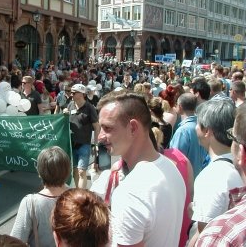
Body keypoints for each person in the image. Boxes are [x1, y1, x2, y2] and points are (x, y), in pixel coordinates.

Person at [97, 93, 185, 246]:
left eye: (107, 128)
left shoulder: (130, 192)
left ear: (132, 128)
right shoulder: (171, 168)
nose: (100, 136)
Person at [188, 99, 243, 245]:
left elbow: (204, 234)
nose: (195, 128)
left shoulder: (212, 177)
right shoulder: (240, 165)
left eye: (198, 124)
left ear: (207, 131)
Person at [11, 146, 70, 247]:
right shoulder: (79, 198)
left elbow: (14, 242)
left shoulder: (30, 203)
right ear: (67, 170)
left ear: (39, 172)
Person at [65, 83, 100, 189]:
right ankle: (78, 192)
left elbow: (97, 127)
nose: (71, 94)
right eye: (71, 92)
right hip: (72, 143)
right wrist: (64, 113)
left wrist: (96, 144)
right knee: (75, 170)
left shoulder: (89, 108)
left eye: (74, 92)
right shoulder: (70, 105)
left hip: (84, 143)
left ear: (82, 94)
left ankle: (81, 194)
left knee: (81, 171)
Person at [169, 93, 207, 179]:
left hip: (185, 178)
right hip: (199, 175)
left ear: (180, 106)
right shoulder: (201, 125)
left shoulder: (183, 131)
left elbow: (176, 158)